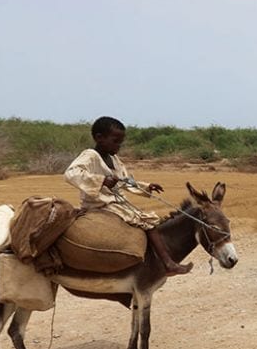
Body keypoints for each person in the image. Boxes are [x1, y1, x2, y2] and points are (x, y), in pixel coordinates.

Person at [64, 117, 192, 276]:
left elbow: (126, 181)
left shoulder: (114, 159)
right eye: (115, 141)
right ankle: (168, 263)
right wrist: (102, 180)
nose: (118, 146)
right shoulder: (90, 155)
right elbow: (71, 173)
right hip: (99, 204)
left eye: (120, 142)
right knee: (147, 221)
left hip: (117, 203)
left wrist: (146, 186)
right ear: (99, 138)